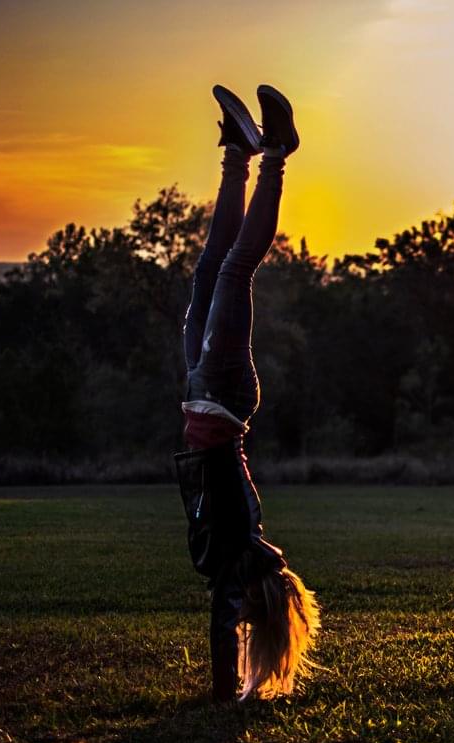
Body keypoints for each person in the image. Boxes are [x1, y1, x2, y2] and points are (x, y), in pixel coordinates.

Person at [175, 83, 319, 703]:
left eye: (273, 565)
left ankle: (237, 150)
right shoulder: (242, 538)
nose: (275, 555)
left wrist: (225, 688)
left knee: (211, 269)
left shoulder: (224, 563)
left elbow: (222, 616)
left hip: (199, 393)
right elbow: (227, 610)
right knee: (235, 269)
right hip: (224, 394)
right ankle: (278, 152)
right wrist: (225, 693)